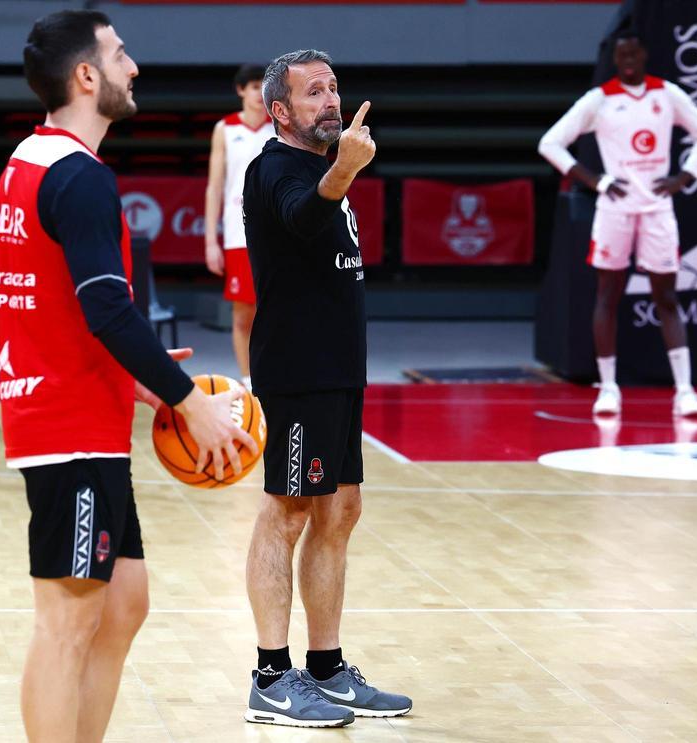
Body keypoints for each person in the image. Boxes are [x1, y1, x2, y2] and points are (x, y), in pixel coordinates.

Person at [0, 11, 258, 742]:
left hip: (80, 418)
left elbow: (56, 307)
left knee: (123, 601)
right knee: (69, 619)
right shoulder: (80, 178)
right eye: (119, 53)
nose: (133, 67)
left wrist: (135, 378)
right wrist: (187, 404)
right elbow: (104, 305)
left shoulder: (29, 159)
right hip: (66, 430)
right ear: (87, 75)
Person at [241, 49, 411, 728]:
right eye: (314, 93)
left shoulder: (321, 167)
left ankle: (326, 666)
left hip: (340, 368)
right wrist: (344, 167)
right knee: (286, 512)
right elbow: (304, 219)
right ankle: (270, 675)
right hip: (298, 369)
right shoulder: (275, 168)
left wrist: (338, 167)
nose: (331, 100)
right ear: (279, 110)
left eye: (334, 87)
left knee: (339, 512)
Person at [538, 28, 697, 418]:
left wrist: (683, 178)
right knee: (607, 296)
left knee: (666, 298)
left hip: (656, 207)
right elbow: (550, 142)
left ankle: (685, 391)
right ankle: (608, 389)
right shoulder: (600, 100)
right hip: (614, 209)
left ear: (645, 55)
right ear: (615, 60)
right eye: (623, 56)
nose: (630, 61)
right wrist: (596, 181)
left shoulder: (666, 93)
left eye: (635, 54)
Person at [203, 64, 274, 390]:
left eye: (265, 87)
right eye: (253, 86)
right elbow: (215, 187)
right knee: (244, 315)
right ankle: (249, 382)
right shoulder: (225, 129)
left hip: (279, 233)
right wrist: (210, 242)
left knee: (277, 311)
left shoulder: (281, 128)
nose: (258, 94)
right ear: (241, 90)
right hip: (237, 233)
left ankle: (278, 376)